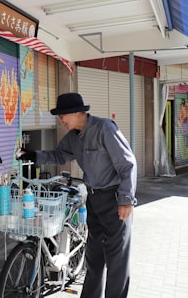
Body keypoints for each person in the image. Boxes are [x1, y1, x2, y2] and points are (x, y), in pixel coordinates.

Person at [17, 92, 137, 298]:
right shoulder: (73, 138)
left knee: (117, 261)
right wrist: (33, 155)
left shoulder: (104, 128)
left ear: (74, 113)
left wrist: (126, 200)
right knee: (94, 258)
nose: (60, 120)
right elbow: (58, 155)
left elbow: (127, 164)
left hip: (115, 200)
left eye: (62, 115)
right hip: (93, 200)